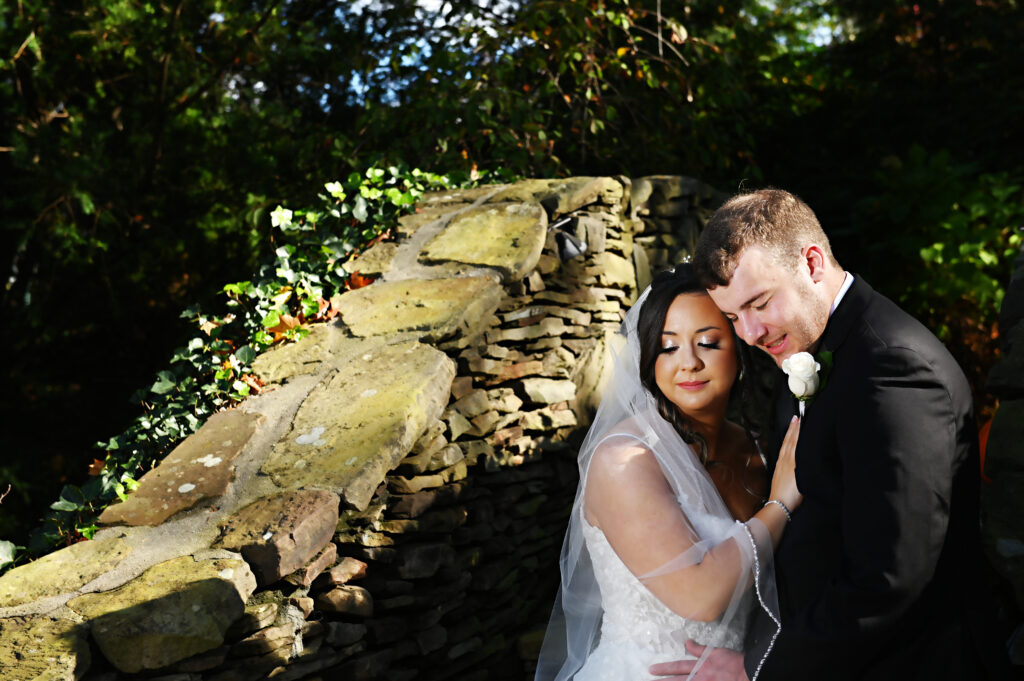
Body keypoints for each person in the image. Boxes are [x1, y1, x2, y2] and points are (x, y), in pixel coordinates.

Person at [650, 188, 1001, 680]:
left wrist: (761, 667)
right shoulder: (810, 348)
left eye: (760, 303)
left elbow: (887, 578)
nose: (748, 333)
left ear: (813, 263)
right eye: (732, 317)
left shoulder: (894, 370)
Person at [534, 264, 803, 681]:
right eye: (668, 347)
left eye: (709, 343)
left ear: (739, 349)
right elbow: (700, 597)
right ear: (648, 359)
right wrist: (780, 505)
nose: (689, 363)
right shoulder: (625, 460)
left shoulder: (761, 451)